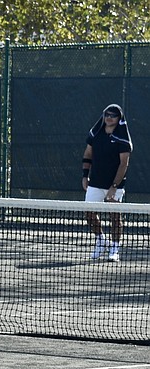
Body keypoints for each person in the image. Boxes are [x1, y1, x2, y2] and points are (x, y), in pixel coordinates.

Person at [82, 104, 132, 262]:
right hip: (95, 182)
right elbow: (88, 153)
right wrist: (85, 176)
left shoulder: (122, 138)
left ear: (119, 119)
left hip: (114, 186)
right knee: (89, 213)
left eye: (113, 115)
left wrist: (114, 186)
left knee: (115, 217)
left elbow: (124, 164)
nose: (109, 117)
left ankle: (115, 247)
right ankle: (101, 240)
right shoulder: (96, 134)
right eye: (107, 114)